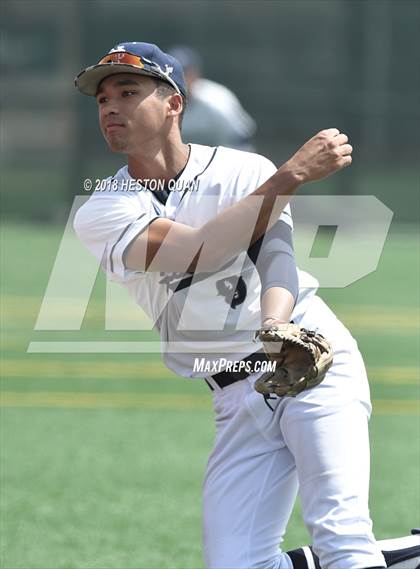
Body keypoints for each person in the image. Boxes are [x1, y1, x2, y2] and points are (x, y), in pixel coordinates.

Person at [73, 42, 420, 569]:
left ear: (174, 104)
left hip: (312, 362)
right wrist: (291, 175)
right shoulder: (103, 208)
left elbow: (273, 255)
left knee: (341, 536)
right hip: (234, 396)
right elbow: (195, 250)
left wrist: (278, 326)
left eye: (128, 91)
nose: (110, 108)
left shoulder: (239, 171)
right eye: (102, 99)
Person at [168, 45, 256, 150]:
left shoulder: (216, 101)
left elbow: (242, 138)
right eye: (173, 73)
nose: (178, 78)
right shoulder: (162, 101)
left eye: (184, 73)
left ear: (195, 74)